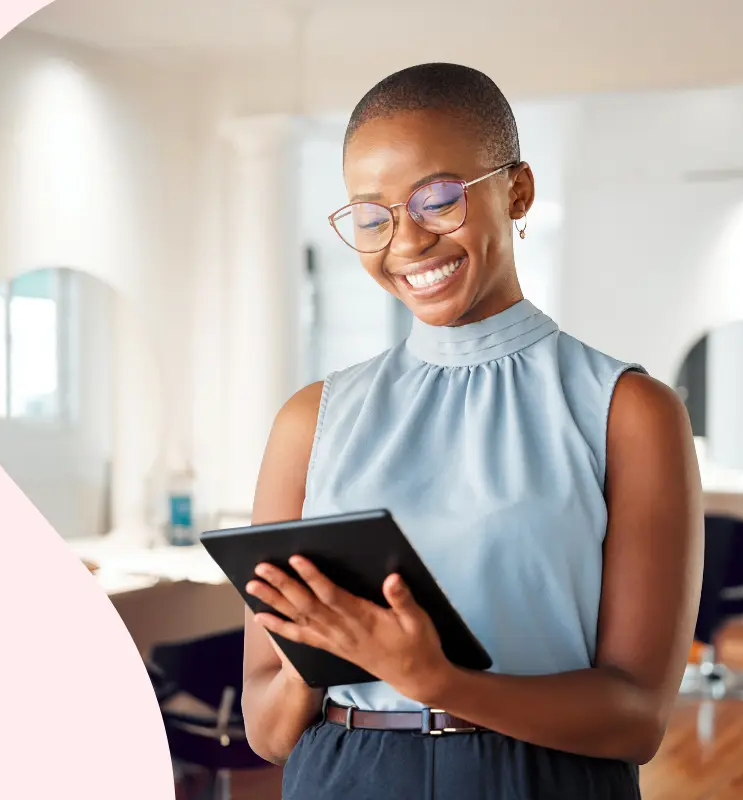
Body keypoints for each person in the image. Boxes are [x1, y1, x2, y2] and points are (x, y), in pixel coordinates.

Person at [239, 63, 702, 799]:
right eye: (371, 215)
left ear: (516, 189)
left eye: (438, 198)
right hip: (345, 776)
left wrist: (438, 681)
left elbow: (637, 717)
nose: (407, 241)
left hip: (540, 780)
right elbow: (266, 731)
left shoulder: (628, 411)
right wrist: (329, 643)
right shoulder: (311, 420)